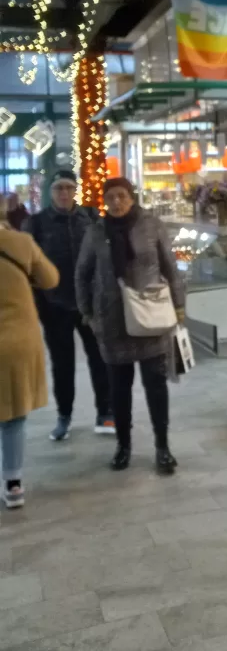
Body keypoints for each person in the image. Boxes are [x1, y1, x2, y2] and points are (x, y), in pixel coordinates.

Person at [75, 177, 184, 475]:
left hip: (151, 316)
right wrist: (87, 312)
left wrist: (179, 304)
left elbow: (169, 267)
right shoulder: (96, 232)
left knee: (155, 386)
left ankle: (162, 446)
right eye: (110, 197)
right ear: (104, 201)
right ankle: (123, 446)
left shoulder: (151, 225)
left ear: (132, 197)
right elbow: (82, 273)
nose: (116, 202)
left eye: (121, 196)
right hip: (112, 320)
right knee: (119, 389)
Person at [24, 170, 113, 442]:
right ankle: (64, 415)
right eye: (58, 188)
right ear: (51, 192)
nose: (64, 193)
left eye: (68, 188)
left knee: (100, 360)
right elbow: (27, 267)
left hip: (90, 305)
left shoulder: (91, 218)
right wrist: (37, 304)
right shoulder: (36, 223)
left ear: (76, 191)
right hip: (55, 306)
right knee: (62, 365)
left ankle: (105, 412)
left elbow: (105, 257)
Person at [0, 193, 60, 508]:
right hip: (16, 341)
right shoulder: (21, 243)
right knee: (12, 417)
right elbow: (50, 279)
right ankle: (13, 485)